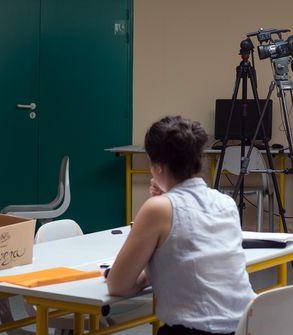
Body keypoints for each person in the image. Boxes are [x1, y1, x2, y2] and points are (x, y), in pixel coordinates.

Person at [106, 116, 256, 335]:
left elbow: (118, 285)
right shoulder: (225, 202)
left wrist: (149, 275)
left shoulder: (157, 209)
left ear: (156, 165)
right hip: (246, 326)